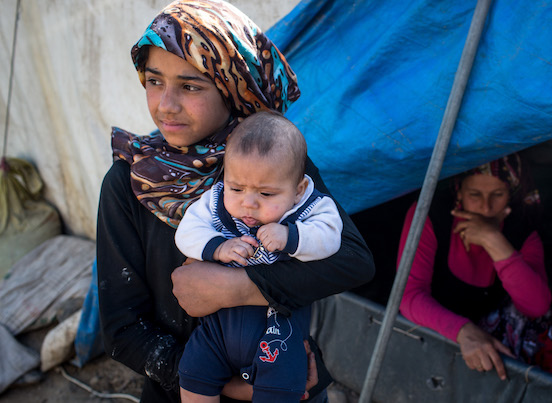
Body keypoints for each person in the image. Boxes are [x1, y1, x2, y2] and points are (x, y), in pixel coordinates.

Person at [96, 1, 374, 402]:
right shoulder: (131, 181)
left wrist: (238, 288)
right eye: (154, 81)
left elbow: (352, 261)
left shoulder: (272, 163)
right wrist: (233, 388)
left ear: (234, 88)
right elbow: (123, 330)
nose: (166, 104)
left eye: (190, 86)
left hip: (285, 374)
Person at [174, 112, 342, 402]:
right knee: (193, 371)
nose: (248, 203)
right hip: (219, 329)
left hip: (279, 334)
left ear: (298, 190)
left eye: (266, 193)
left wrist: (291, 237)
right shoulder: (215, 203)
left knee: (281, 385)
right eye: (236, 188)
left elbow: (331, 236)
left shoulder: (311, 207)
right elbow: (186, 231)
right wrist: (217, 247)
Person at [398, 153, 552, 380]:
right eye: (474, 195)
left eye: (498, 195)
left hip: (493, 338)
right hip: (436, 325)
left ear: (511, 194)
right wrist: (464, 332)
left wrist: (494, 241)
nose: (485, 207)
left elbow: (537, 306)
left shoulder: (522, 231)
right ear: (458, 192)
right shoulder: (429, 215)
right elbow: (408, 295)